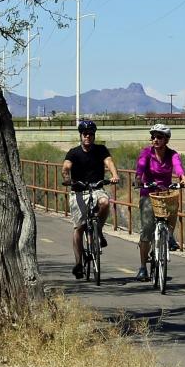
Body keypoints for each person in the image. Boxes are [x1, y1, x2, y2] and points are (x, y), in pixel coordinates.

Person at [61, 118, 116, 279]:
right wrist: (66, 177)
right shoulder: (74, 152)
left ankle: (98, 229)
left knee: (105, 202)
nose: (88, 137)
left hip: (96, 188)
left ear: (94, 136)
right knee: (79, 228)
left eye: (91, 134)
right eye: (85, 134)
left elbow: (109, 162)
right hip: (79, 191)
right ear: (81, 135)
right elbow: (66, 167)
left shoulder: (101, 150)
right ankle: (78, 263)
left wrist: (114, 175)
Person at [132, 123, 185, 276]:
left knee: (173, 208)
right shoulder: (146, 153)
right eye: (153, 137)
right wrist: (138, 178)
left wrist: (183, 179)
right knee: (147, 230)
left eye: (159, 137)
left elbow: (178, 167)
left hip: (165, 193)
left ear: (166, 140)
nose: (155, 140)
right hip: (148, 193)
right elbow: (141, 166)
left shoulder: (172, 154)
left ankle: (169, 235)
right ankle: (143, 268)